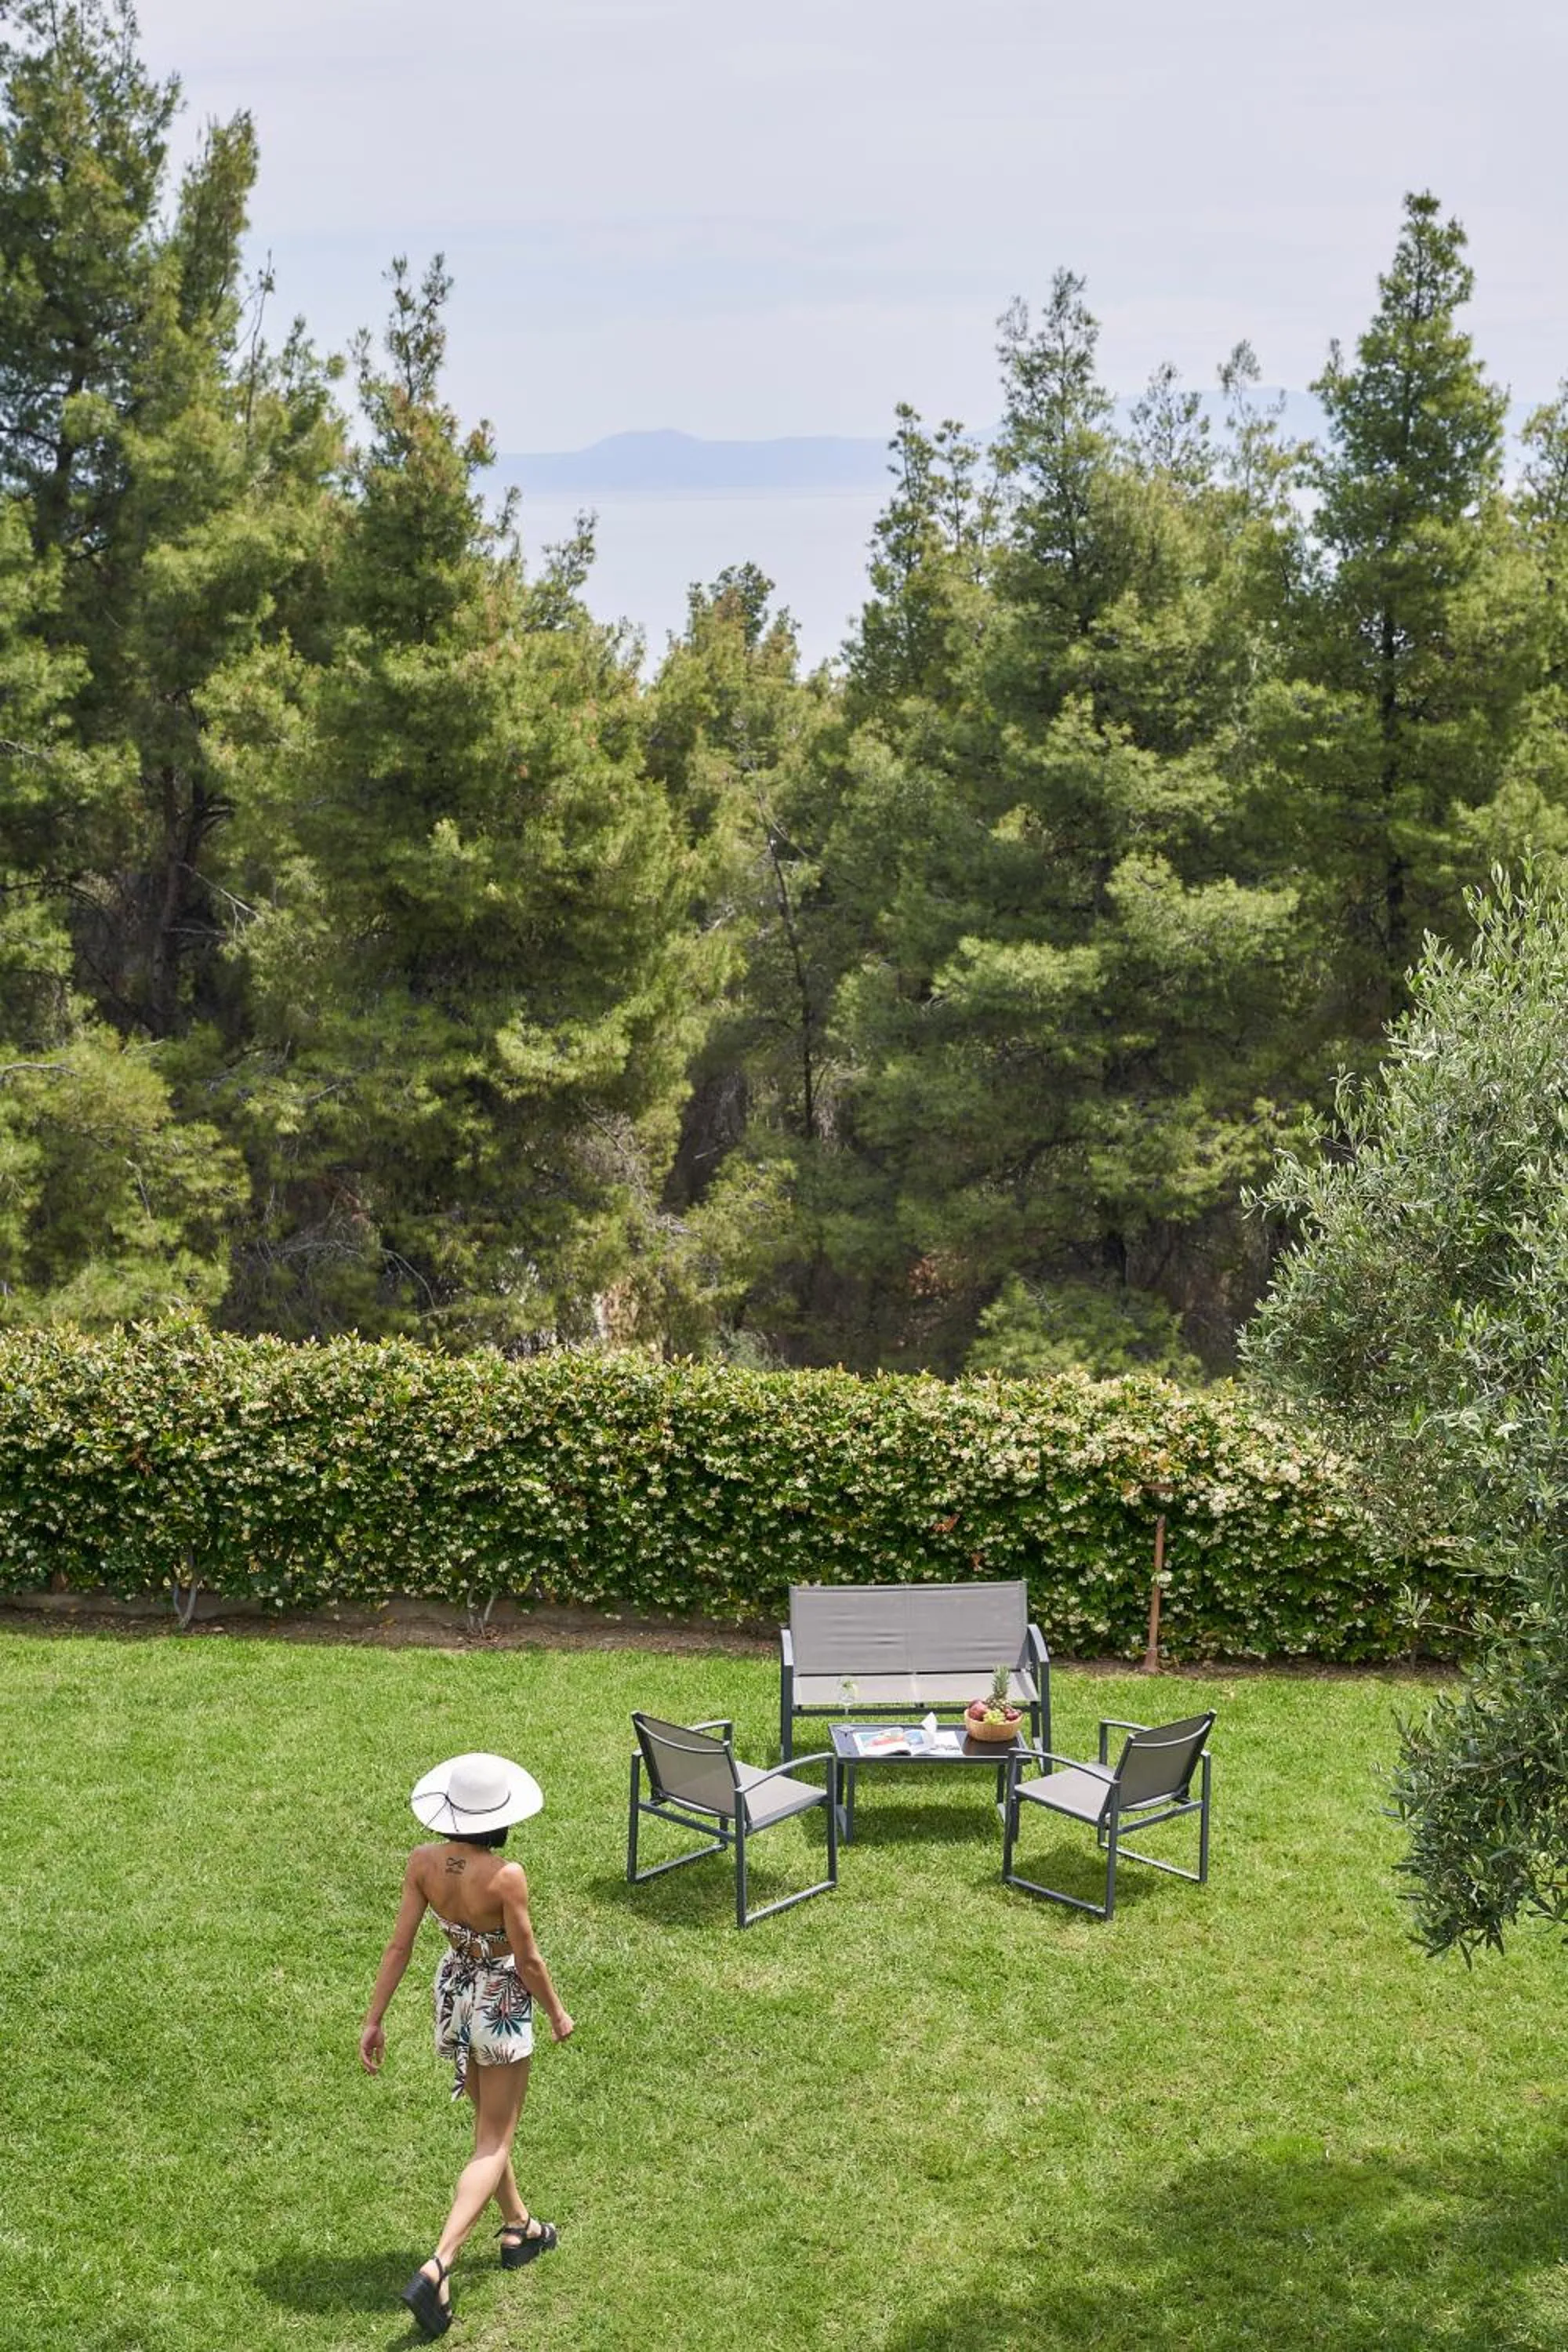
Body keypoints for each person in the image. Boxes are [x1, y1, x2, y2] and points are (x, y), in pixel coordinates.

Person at [359, 1750, 574, 2339]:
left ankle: (518, 2228)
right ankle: (440, 2263)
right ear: (500, 1817)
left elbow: (398, 1947)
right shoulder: (505, 1876)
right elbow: (526, 1958)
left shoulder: (423, 1863)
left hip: (454, 1991)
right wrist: (556, 2011)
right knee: (495, 2139)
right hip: (500, 1999)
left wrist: (373, 2019)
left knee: (488, 2126)